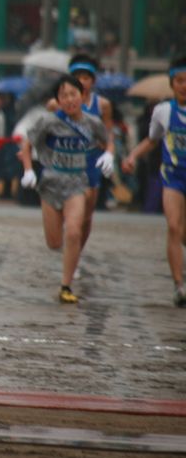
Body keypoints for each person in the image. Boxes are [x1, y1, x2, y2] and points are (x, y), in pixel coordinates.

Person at [20, 74, 113, 304]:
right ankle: (66, 255)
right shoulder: (49, 121)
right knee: (54, 243)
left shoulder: (92, 123)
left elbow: (107, 139)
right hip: (51, 183)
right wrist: (28, 169)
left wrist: (110, 154)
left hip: (77, 183)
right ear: (57, 100)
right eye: (64, 95)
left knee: (73, 231)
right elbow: (27, 144)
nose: (69, 100)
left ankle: (66, 285)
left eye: (73, 94)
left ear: (82, 96)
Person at [120, 56, 186, 307]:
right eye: (179, 81)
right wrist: (132, 156)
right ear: (172, 83)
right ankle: (179, 285)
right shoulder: (164, 111)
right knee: (173, 226)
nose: (183, 86)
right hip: (172, 177)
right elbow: (152, 140)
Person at [47, 54, 115, 248]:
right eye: (78, 77)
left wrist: (109, 154)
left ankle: (76, 251)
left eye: (86, 78)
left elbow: (108, 134)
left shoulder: (102, 105)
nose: (82, 82)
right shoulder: (55, 104)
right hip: (64, 163)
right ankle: (65, 240)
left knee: (85, 215)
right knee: (65, 211)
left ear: (93, 80)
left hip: (90, 162)